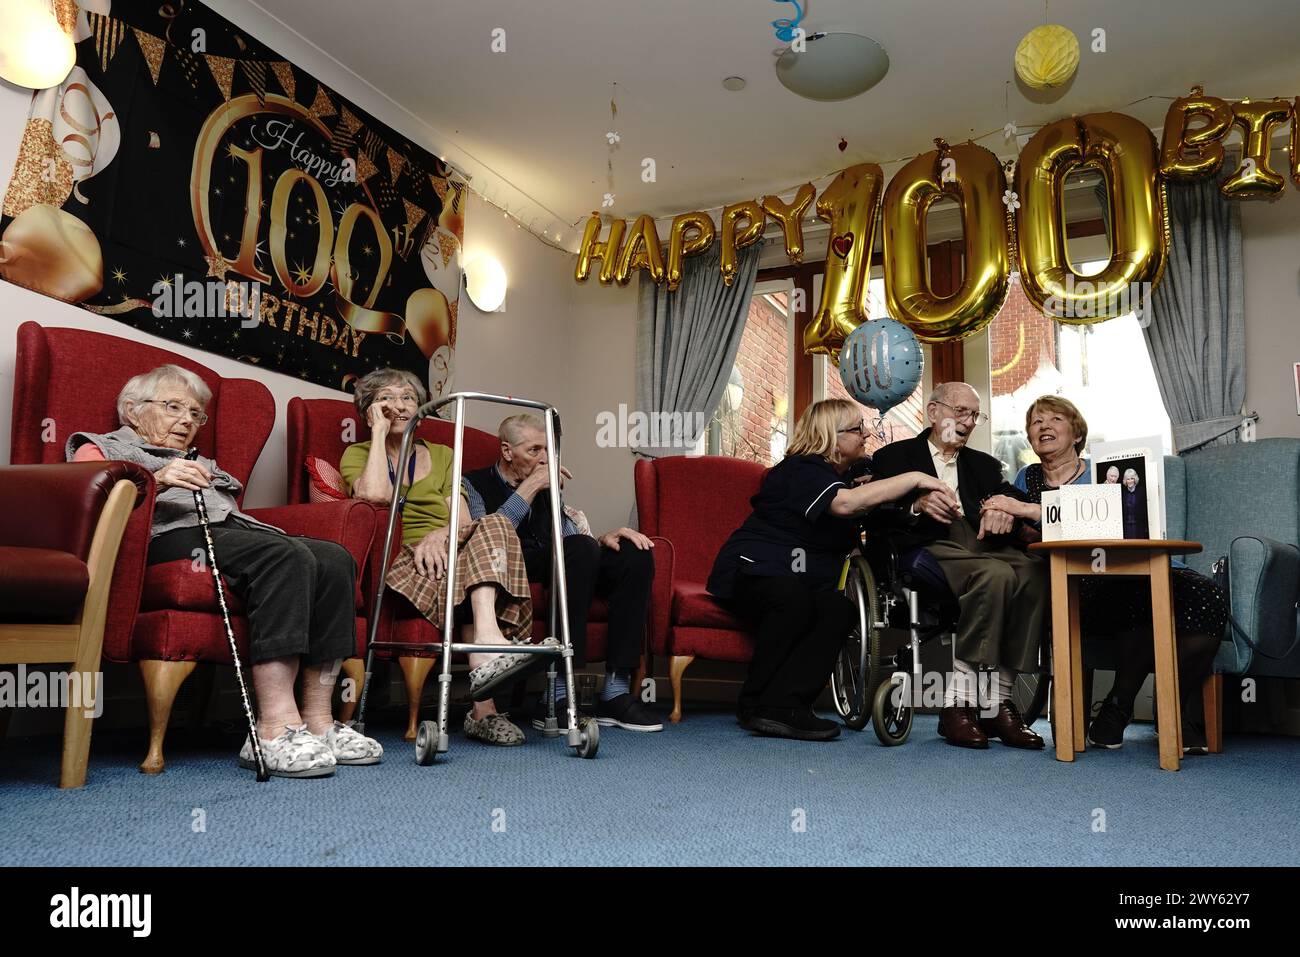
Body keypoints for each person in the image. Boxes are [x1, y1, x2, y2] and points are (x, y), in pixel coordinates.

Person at [68, 364, 383, 778]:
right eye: (173, 407)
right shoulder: (99, 446)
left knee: (334, 558)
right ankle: (272, 729)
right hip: (164, 539)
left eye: (196, 414)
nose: (186, 420)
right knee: (283, 557)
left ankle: (320, 722)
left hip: (234, 533)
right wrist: (157, 479)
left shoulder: (204, 461)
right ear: (132, 409)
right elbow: (86, 500)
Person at [981, 394, 1225, 753]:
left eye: (1055, 420)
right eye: (1036, 422)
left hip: (1140, 568)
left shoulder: (1104, 471)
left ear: (1077, 433)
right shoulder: (1025, 477)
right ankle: (1119, 711)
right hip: (1081, 582)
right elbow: (1028, 537)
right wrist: (1006, 514)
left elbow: (1098, 523)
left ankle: (1163, 708)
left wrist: (1024, 509)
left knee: (1207, 595)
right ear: (1030, 439)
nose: (1044, 426)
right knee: (1135, 595)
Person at [707, 399, 951, 741]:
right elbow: (847, 504)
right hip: (754, 570)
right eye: (856, 429)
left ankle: (787, 705)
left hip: (803, 581)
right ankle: (756, 704)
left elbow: (869, 507)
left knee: (839, 609)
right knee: (793, 600)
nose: (865, 434)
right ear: (829, 438)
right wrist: (914, 478)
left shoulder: (849, 474)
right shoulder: (801, 469)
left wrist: (909, 503)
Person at [341, 368, 539, 747]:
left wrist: (441, 534)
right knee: (477, 560)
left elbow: (464, 521)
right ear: (369, 409)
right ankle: (486, 699)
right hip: (405, 559)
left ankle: (486, 641)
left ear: (421, 409)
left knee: (495, 524)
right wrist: (380, 435)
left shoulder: (444, 455)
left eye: (408, 398)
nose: (398, 405)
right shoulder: (358, 453)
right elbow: (377, 496)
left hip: (452, 548)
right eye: (386, 397)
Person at [869, 382, 1048, 751]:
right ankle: (956, 705)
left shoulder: (983, 464)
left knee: (1034, 571)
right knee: (995, 575)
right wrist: (915, 507)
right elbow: (875, 513)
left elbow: (1011, 497)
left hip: (980, 543)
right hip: (926, 545)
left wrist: (1004, 510)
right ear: (934, 412)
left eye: (974, 415)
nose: (967, 422)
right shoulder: (894, 457)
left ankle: (997, 702)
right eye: (960, 412)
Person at [462, 414, 661, 732]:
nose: (544, 459)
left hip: (559, 560)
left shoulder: (547, 483)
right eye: (535, 450)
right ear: (507, 451)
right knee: (580, 550)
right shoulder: (472, 483)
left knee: (633, 554)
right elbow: (484, 538)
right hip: (508, 567)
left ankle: (615, 692)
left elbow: (569, 538)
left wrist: (603, 540)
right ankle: (556, 694)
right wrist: (532, 487)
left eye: (549, 451)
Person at [1121, 468, 1150, 538]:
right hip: (1126, 527)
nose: (1130, 481)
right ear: (1125, 480)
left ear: (1135, 479)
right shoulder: (1122, 493)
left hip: (1139, 526)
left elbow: (1145, 509)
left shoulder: (1142, 491)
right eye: (1128, 479)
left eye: (1132, 478)